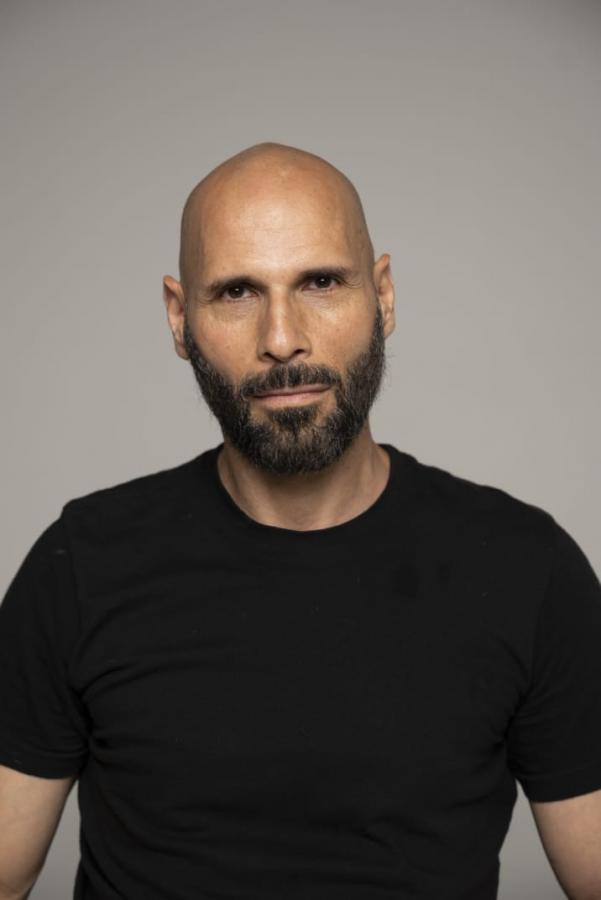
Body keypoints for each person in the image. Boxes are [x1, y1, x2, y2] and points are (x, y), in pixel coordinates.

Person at [1, 142, 600, 900]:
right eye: (236, 292)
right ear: (180, 319)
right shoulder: (81, 565)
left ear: (382, 295)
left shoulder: (527, 569)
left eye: (320, 282)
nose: (282, 339)